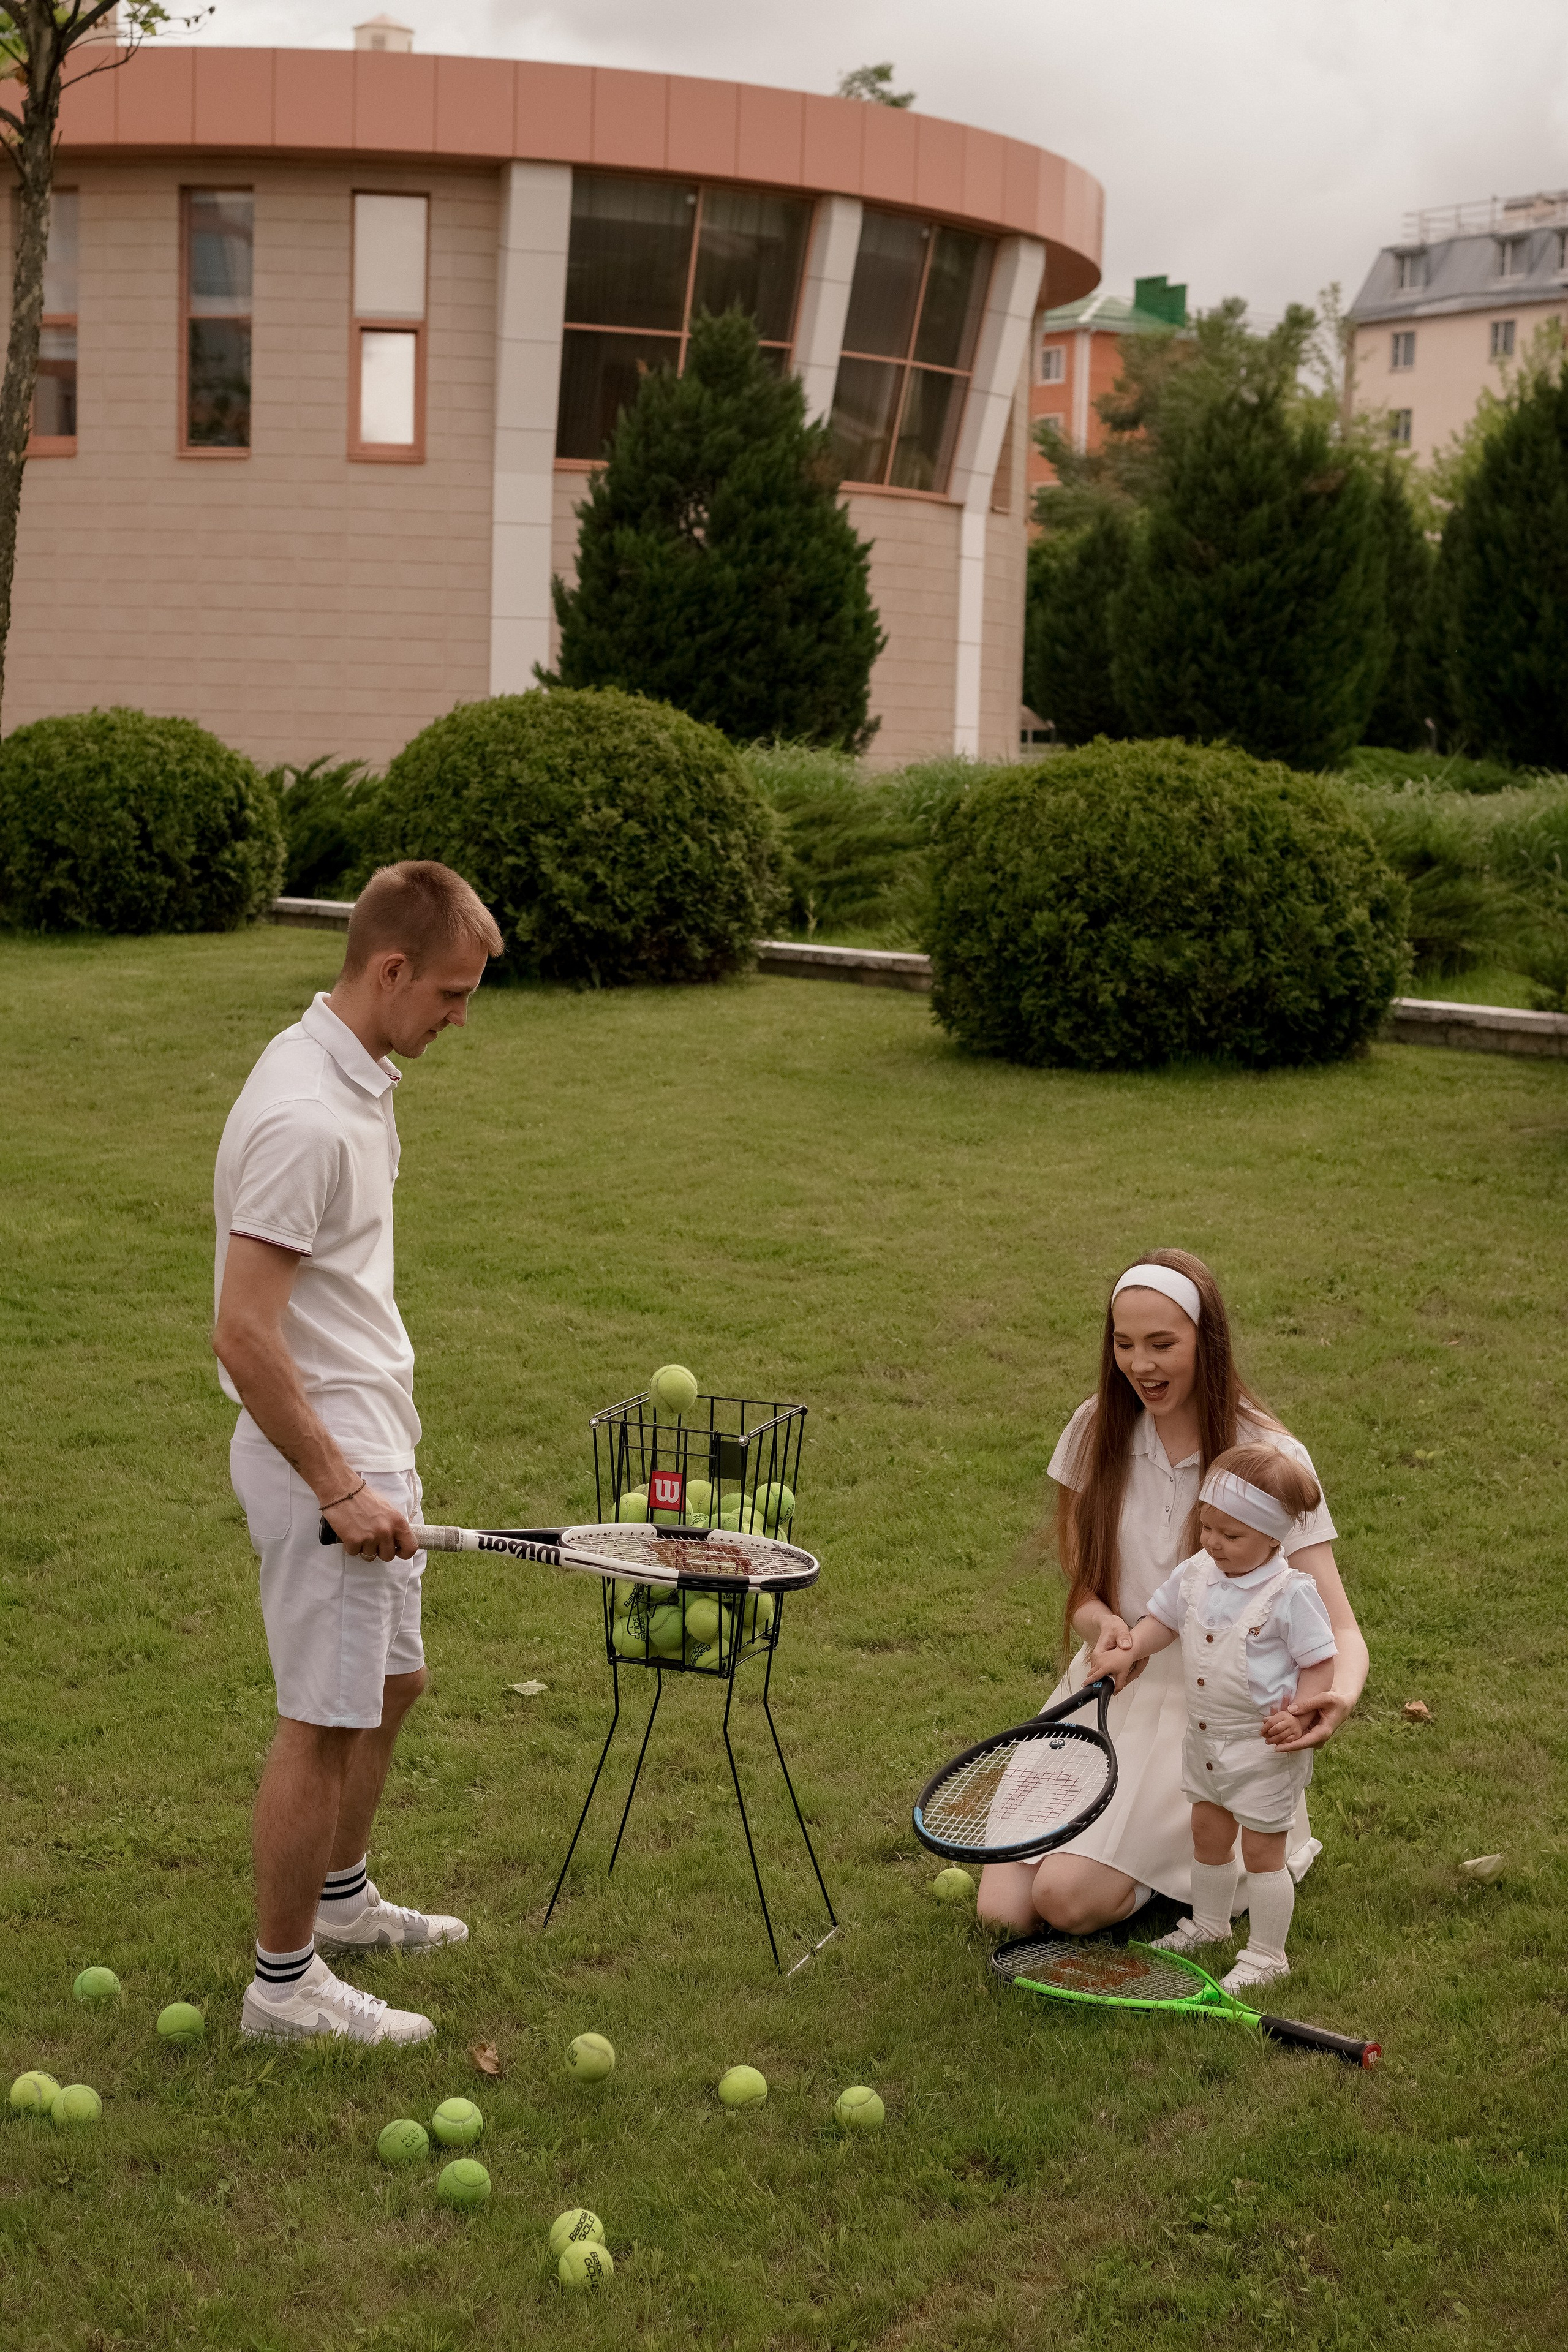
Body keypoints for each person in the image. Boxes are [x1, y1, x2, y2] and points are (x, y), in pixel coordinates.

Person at [212, 861, 502, 2044]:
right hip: (322, 1455)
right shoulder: (305, 1116)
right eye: (450, 993)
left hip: (372, 1436)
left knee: (391, 1686)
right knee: (322, 1719)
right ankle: (284, 1990)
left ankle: (340, 1902)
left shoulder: (355, 1077)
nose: (459, 1018)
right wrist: (336, 1485)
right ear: (389, 969)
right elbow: (242, 1331)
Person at [977, 1249, 1368, 1942]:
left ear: (1204, 1343)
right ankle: (1150, 1858)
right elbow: (1086, 1591)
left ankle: (1198, 1864)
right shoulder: (1095, 1427)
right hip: (1115, 1685)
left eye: (1162, 1344)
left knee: (1064, 1900)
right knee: (1002, 1910)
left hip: (1219, 1714)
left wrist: (1335, 1699)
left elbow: (1339, 1627)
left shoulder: (1270, 1457)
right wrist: (1105, 1627)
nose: (1140, 1365)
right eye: (1124, 1344)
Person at [1106, 1444, 1338, 1993]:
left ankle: (1268, 1955)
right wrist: (1130, 1648)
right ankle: (1210, 1924)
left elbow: (1319, 1661)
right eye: (1207, 1527)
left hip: (1263, 1747)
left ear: (1274, 1538)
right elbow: (1162, 1621)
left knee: (1262, 1853)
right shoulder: (1197, 1574)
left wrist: (1301, 1715)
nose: (1213, 1542)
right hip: (1206, 1739)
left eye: (1231, 1535)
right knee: (1207, 1834)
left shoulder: (1290, 1594)